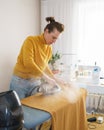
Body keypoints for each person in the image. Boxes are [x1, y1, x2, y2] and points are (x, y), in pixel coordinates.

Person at [10, 17, 65, 99]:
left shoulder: (49, 48)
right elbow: (29, 63)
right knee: (19, 110)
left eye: (56, 39)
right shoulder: (31, 41)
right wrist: (46, 78)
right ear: (46, 31)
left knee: (34, 108)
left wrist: (55, 79)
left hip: (35, 82)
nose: (54, 41)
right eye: (53, 37)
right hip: (20, 82)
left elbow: (44, 66)